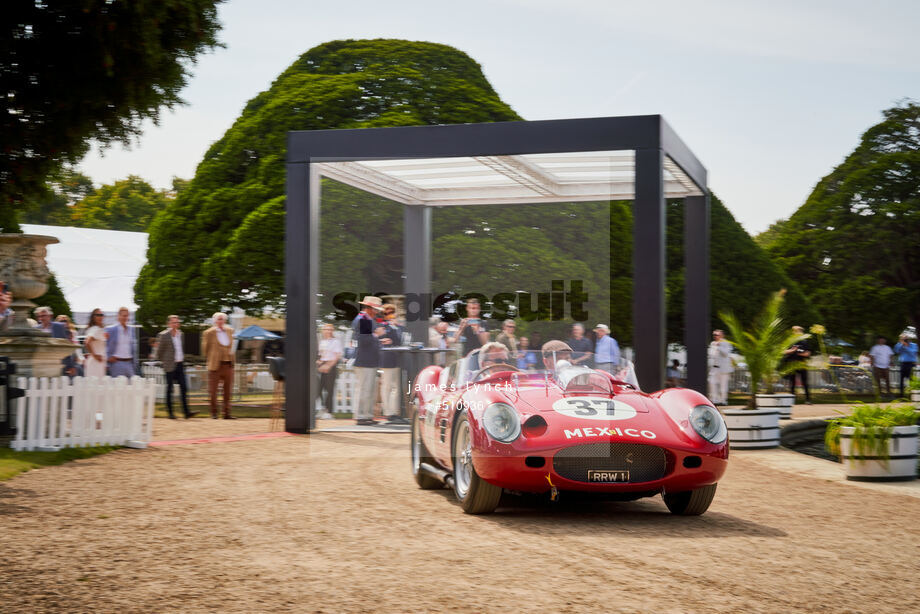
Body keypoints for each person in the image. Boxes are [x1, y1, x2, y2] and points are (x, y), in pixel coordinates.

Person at [352, 296, 388, 426]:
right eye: (376, 309)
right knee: (364, 389)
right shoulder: (364, 320)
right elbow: (364, 340)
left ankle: (366, 416)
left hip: (368, 360)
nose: (377, 312)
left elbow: (367, 339)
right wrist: (377, 336)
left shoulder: (366, 320)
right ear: (370, 308)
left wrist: (378, 340)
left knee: (369, 390)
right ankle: (361, 416)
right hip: (364, 360)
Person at [155, 315, 197, 419]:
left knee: (184, 388)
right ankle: (170, 413)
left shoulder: (181, 334)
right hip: (169, 365)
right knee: (170, 389)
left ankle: (186, 412)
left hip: (180, 364)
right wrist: (165, 362)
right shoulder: (163, 335)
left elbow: (180, 349)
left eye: (177, 322)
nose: (176, 324)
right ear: (168, 324)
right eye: (173, 322)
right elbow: (159, 352)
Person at [202, 312, 236, 419]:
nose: (221, 321)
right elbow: (205, 350)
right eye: (219, 319)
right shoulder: (208, 332)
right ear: (215, 321)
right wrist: (213, 357)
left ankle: (226, 413)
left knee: (227, 391)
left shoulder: (230, 331)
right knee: (213, 391)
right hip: (215, 366)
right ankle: (214, 413)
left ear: (225, 320)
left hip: (228, 365)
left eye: (223, 319)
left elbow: (233, 346)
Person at [378, 303, 407, 425]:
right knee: (387, 386)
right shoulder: (382, 325)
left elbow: (402, 339)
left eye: (391, 312)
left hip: (397, 358)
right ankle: (388, 413)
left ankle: (395, 412)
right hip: (386, 359)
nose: (390, 314)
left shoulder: (399, 327)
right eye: (387, 312)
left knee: (396, 387)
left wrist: (395, 326)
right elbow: (380, 338)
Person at [33, 306, 80, 377]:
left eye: (43, 316)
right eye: (39, 316)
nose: (41, 318)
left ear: (50, 316)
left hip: (58, 362)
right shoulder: (35, 329)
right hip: (41, 363)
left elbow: (66, 346)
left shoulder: (59, 327)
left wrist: (71, 365)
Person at [316, 323, 344, 420]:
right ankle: (322, 409)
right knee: (318, 389)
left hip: (331, 366)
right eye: (326, 329)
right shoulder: (322, 341)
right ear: (322, 331)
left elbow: (337, 356)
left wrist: (328, 366)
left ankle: (329, 411)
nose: (328, 331)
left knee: (329, 390)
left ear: (332, 331)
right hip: (322, 366)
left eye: (330, 329)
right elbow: (320, 355)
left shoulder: (336, 341)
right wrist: (319, 364)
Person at [782, 326, 812, 404]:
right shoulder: (791, 342)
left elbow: (807, 353)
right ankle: (791, 400)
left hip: (801, 364)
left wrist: (798, 353)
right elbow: (784, 351)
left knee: (805, 382)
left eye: (798, 331)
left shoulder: (804, 342)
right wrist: (792, 350)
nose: (796, 333)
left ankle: (808, 399)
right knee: (792, 382)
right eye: (795, 331)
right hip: (792, 364)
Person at [105, 306, 136, 378]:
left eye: (127, 316)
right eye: (124, 316)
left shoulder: (131, 330)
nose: (125, 318)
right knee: (118, 388)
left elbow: (133, 348)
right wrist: (108, 358)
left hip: (129, 363)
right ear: (118, 316)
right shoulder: (111, 329)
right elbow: (103, 345)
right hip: (117, 364)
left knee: (132, 387)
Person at [708, 329, 733, 406]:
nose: (715, 336)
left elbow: (726, 354)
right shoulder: (712, 343)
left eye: (717, 335)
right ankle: (714, 400)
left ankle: (723, 401)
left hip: (723, 369)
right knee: (711, 382)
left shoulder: (726, 343)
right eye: (714, 335)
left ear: (722, 335)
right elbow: (711, 353)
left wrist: (719, 347)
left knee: (723, 386)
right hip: (714, 368)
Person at [83, 309, 108, 378]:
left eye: (101, 315)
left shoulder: (94, 328)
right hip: (96, 362)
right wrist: (94, 355)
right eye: (98, 315)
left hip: (96, 362)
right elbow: (87, 342)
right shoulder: (96, 329)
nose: (100, 317)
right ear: (93, 317)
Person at [894, 333, 918, 398]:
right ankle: (901, 395)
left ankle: (912, 395)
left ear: (908, 338)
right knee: (901, 380)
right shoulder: (900, 345)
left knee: (911, 380)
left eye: (906, 338)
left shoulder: (914, 345)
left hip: (911, 364)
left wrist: (906, 346)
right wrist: (901, 344)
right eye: (903, 338)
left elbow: (912, 353)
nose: (905, 340)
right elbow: (896, 351)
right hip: (903, 364)